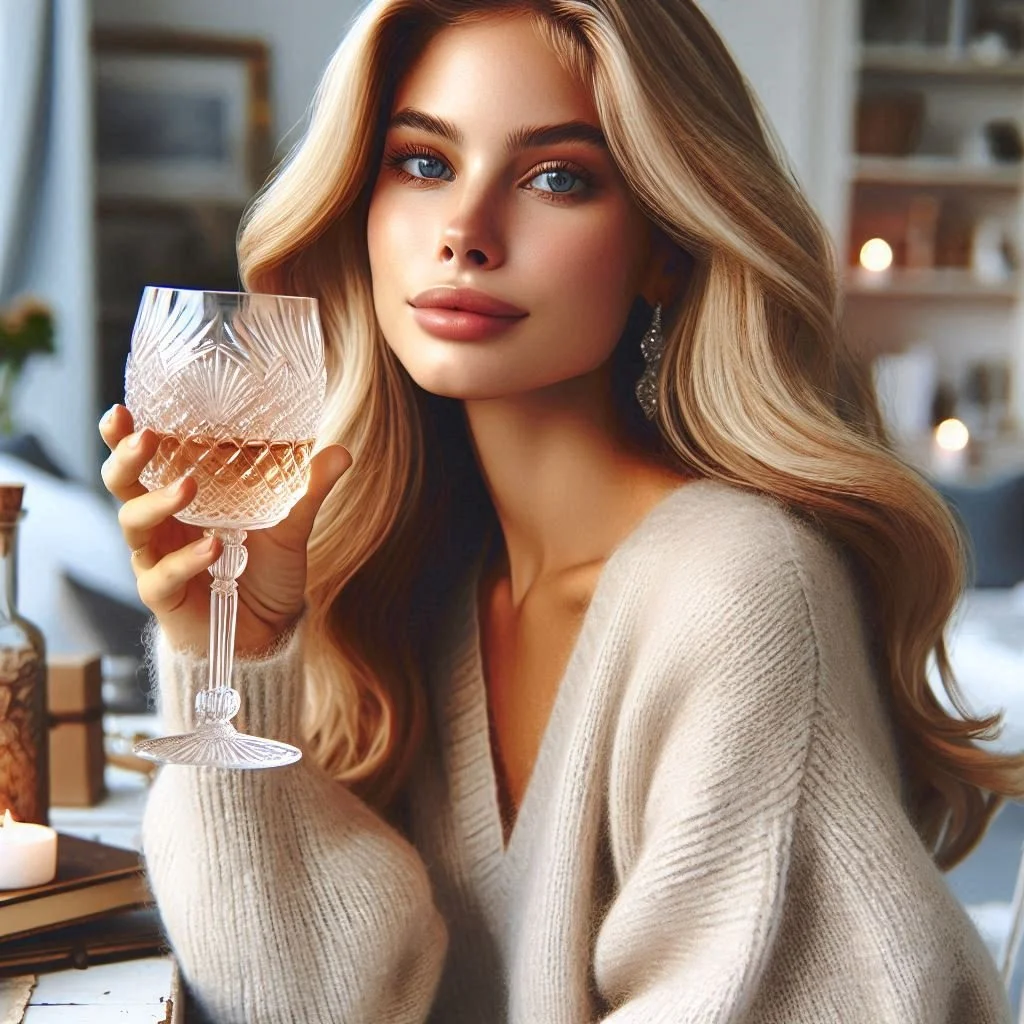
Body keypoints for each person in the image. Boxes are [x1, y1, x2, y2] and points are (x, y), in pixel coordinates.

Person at [98, 1, 1022, 1020]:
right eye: (423, 163)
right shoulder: (421, 578)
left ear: (667, 244)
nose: (464, 233)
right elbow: (302, 999)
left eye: (557, 178)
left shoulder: (740, 594)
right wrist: (234, 657)